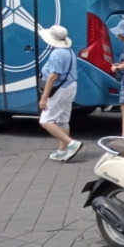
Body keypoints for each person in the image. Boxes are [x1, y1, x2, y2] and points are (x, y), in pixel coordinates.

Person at [38, 25, 82, 162]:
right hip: (70, 86)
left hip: (60, 89)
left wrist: (44, 98)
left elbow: (53, 76)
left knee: (46, 121)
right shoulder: (69, 51)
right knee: (63, 119)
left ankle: (71, 143)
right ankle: (62, 151)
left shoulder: (57, 53)